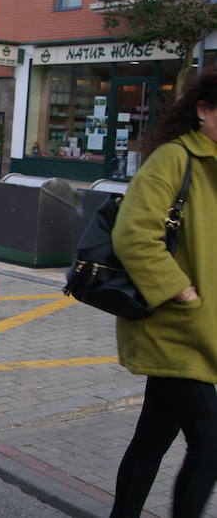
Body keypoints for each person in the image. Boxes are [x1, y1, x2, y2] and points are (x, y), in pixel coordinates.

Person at [110, 68, 217, 518]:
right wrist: (181, 292)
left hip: (199, 330)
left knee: (152, 437)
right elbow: (134, 234)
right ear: (204, 110)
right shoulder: (176, 158)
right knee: (210, 446)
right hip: (174, 329)